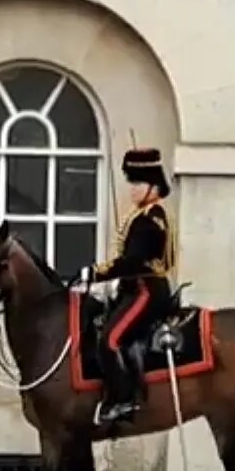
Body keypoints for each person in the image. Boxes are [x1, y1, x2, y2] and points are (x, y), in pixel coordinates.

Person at [77, 147, 177, 424]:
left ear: (153, 186)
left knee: (110, 340)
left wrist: (95, 273)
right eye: (131, 182)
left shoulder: (150, 220)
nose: (132, 189)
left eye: (138, 183)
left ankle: (123, 400)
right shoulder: (142, 214)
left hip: (146, 290)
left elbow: (133, 261)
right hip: (134, 288)